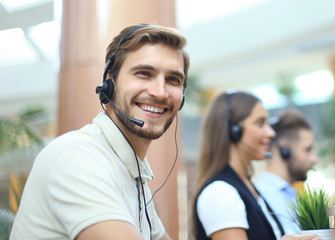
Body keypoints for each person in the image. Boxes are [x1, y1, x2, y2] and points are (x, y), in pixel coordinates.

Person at [10, 24, 189, 240]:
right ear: (109, 82)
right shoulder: (76, 157)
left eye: (173, 80)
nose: (160, 92)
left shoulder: (132, 173)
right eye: (144, 73)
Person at [191, 91, 290, 240]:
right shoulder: (220, 192)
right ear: (234, 131)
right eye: (260, 123)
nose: (271, 133)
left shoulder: (249, 188)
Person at [256, 108, 318, 235]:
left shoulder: (293, 194)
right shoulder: (263, 196)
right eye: (307, 149)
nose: (314, 158)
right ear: (285, 150)